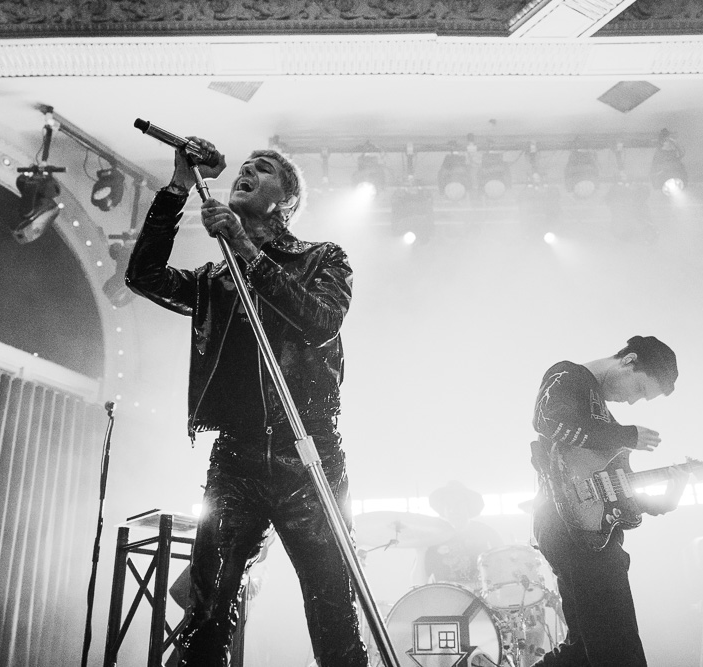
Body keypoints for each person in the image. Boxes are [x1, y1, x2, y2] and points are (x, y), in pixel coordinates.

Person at [126, 138, 368, 666]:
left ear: (286, 201)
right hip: (237, 458)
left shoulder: (322, 258)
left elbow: (320, 321)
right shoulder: (215, 281)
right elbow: (143, 277)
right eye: (245, 166)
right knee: (208, 606)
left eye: (264, 169)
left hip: (309, 453)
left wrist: (245, 248)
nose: (247, 171)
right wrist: (177, 188)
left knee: (332, 605)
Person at [528, 335, 689, 667]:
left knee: (583, 651)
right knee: (618, 646)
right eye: (639, 389)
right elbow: (548, 421)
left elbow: (617, 493)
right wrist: (626, 434)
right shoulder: (568, 375)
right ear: (629, 360)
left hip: (588, 533)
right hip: (569, 526)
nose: (632, 401)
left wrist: (665, 500)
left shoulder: (604, 419)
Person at [417, 480, 504, 588]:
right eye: (448, 505)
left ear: (468, 506)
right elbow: (418, 584)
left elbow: (504, 569)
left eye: (458, 504)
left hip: (481, 596)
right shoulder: (434, 539)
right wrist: (420, 552)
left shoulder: (487, 533)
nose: (453, 510)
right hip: (446, 596)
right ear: (443, 510)